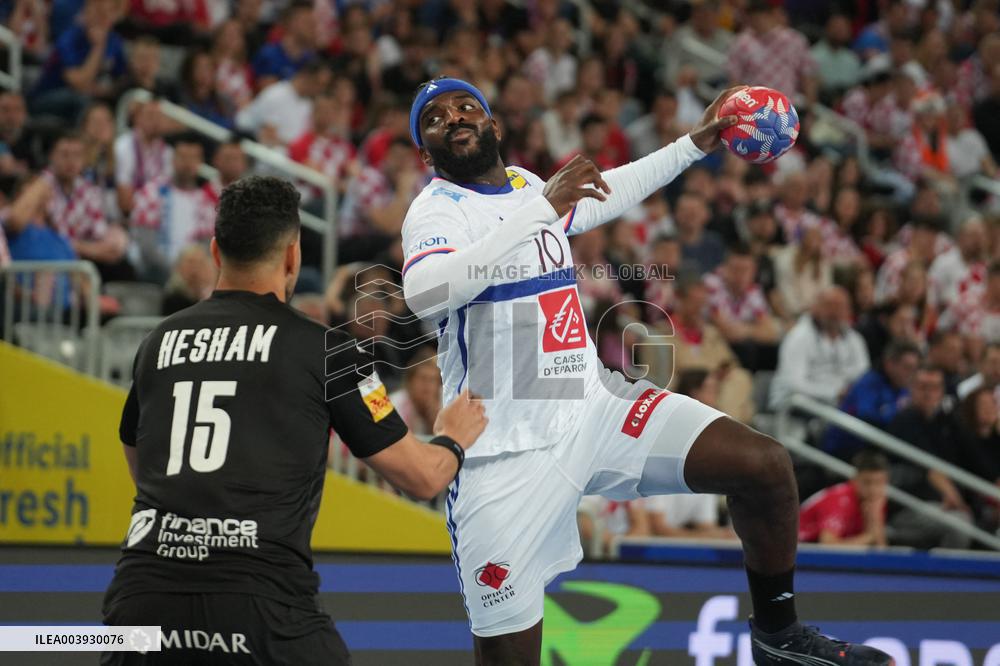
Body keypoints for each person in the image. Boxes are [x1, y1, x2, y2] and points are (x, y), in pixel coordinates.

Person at [401, 76, 892, 666]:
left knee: (764, 467)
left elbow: (606, 193)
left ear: (493, 125)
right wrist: (542, 209)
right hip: (503, 450)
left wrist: (695, 143)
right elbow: (425, 292)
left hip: (590, 407)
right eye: (435, 117)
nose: (454, 117)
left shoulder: (525, 185)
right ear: (425, 154)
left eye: (466, 107)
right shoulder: (437, 209)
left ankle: (778, 637)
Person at [101, 175, 487, 665]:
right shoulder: (328, 350)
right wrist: (453, 437)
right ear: (292, 257)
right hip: (263, 609)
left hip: (140, 604)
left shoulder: (159, 341)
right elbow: (422, 476)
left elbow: (142, 461)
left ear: (217, 252)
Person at [770, 286, 870, 409]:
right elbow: (793, 384)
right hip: (800, 407)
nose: (835, 312)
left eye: (841, 307)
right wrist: (834, 393)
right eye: (829, 305)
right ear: (814, 308)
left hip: (840, 405)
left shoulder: (855, 339)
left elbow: (863, 375)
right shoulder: (798, 337)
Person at [798, 451, 889, 547]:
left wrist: (875, 519)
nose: (873, 490)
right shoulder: (840, 500)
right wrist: (870, 537)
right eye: (867, 482)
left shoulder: (875, 502)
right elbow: (828, 546)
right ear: (855, 479)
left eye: (879, 482)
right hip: (798, 548)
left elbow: (881, 552)